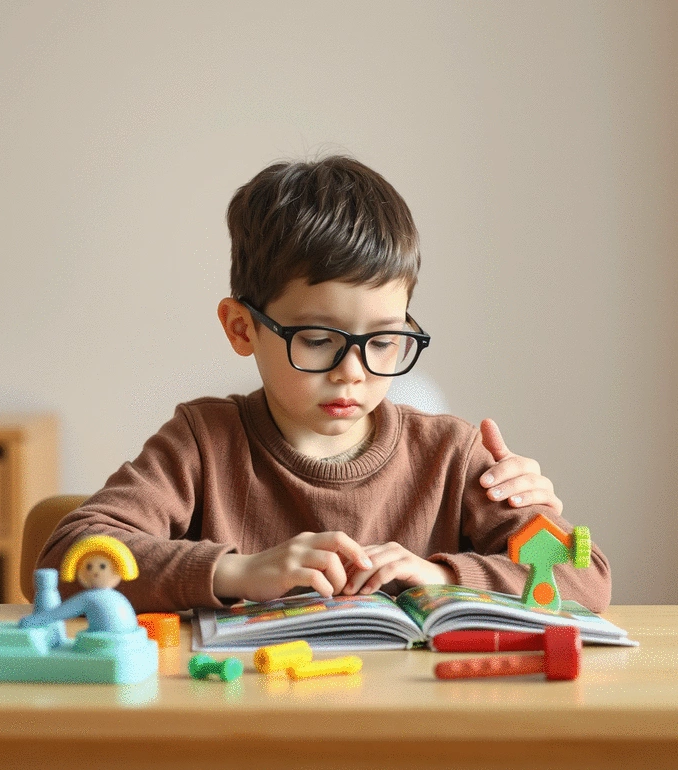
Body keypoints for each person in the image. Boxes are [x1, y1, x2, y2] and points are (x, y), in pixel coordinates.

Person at [38, 156, 610, 613]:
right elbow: (69, 557)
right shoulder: (203, 442)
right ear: (242, 327)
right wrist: (238, 571)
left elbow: (583, 578)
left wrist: (441, 576)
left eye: (383, 340)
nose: (353, 371)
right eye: (317, 339)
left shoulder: (451, 455)